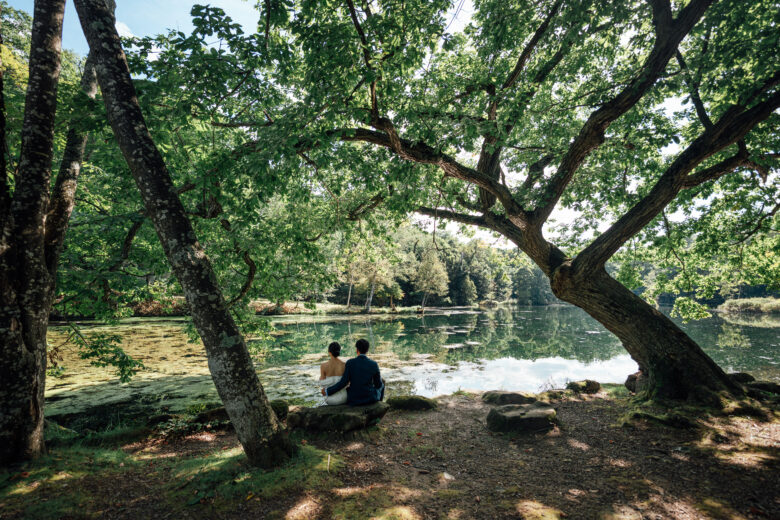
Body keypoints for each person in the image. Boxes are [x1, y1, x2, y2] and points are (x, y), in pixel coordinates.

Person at [322, 338, 384, 406]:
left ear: (357, 350)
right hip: (370, 398)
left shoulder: (350, 363)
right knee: (382, 384)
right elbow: (378, 385)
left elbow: (343, 382)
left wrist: (327, 391)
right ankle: (379, 404)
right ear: (367, 350)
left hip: (354, 399)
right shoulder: (374, 364)